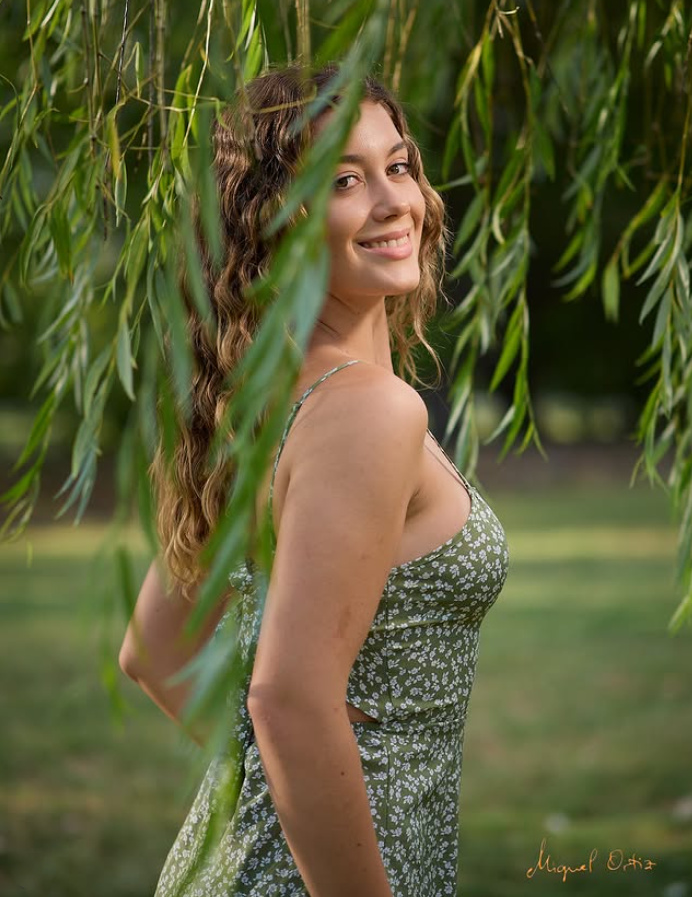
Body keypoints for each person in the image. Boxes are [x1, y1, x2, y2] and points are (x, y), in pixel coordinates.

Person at [119, 60, 510, 897]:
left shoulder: (271, 401)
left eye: (397, 165)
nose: (394, 201)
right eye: (344, 180)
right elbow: (287, 699)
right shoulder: (367, 411)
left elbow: (157, 646)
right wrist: (296, 744)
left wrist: (278, 763)